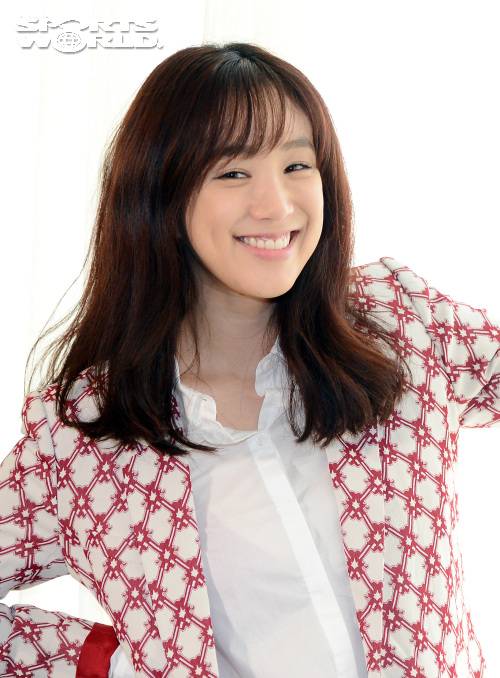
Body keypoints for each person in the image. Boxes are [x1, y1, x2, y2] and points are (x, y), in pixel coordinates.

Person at [1, 42, 498, 678]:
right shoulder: (83, 438)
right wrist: (104, 663)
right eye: (234, 172)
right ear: (161, 193)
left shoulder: (399, 324)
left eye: (297, 165)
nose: (277, 205)